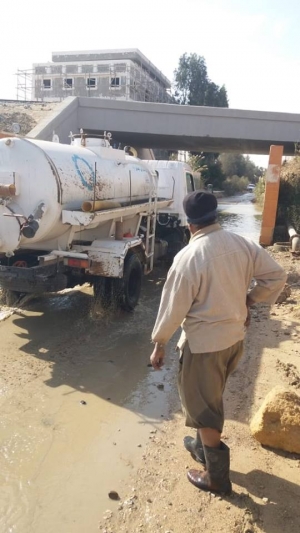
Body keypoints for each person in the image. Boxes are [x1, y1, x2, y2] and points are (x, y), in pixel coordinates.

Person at [150, 191, 287, 495]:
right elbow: (277, 276)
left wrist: (159, 343)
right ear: (215, 217)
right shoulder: (242, 244)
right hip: (234, 341)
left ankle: (217, 478)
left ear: (189, 225)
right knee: (210, 395)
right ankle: (200, 446)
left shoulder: (188, 257)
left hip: (204, 347)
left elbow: (173, 308)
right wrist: (249, 300)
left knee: (203, 406)